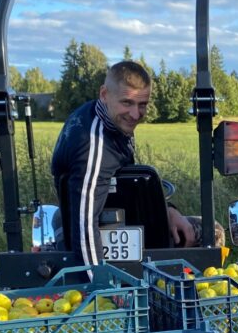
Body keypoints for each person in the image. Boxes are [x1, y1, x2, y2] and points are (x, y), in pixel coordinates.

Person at [51, 60, 215, 266]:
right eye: (127, 103)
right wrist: (102, 290)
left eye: (142, 104)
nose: (135, 114)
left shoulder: (110, 121)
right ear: (104, 94)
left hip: (113, 214)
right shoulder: (94, 145)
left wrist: (169, 211)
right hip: (85, 226)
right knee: (214, 232)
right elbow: (84, 227)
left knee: (185, 223)